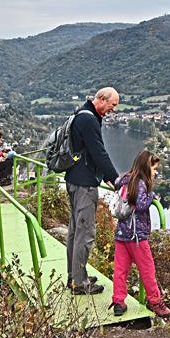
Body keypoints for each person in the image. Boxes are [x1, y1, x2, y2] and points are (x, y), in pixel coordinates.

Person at [65, 87, 120, 295]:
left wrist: (105, 176)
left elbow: (90, 151)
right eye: (112, 105)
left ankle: (74, 275)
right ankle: (79, 284)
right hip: (84, 185)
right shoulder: (89, 120)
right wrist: (116, 179)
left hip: (74, 180)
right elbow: (99, 152)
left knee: (74, 232)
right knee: (85, 233)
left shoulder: (82, 113)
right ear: (102, 99)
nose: (112, 110)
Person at [110, 150, 170, 317]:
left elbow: (117, 185)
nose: (155, 171)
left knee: (120, 270)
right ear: (146, 166)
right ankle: (156, 303)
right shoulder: (140, 183)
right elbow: (142, 204)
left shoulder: (124, 179)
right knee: (147, 270)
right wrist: (152, 195)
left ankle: (118, 302)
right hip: (136, 236)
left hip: (121, 234)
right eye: (154, 168)